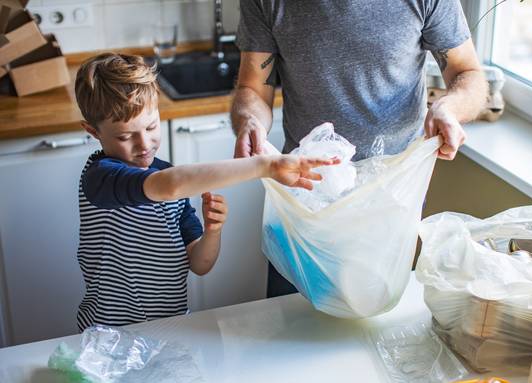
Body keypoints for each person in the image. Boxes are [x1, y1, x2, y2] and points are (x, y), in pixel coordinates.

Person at [230, 0, 488, 297]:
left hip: (390, 198)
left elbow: (467, 73)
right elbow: (252, 88)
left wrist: (448, 108)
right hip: (306, 194)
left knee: (373, 323)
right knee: (290, 318)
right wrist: (251, 121)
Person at [73, 53, 338, 330]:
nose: (144, 144)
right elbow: (169, 185)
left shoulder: (173, 185)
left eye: (151, 126)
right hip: (107, 332)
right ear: (93, 131)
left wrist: (213, 231)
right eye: (125, 136)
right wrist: (265, 165)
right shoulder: (101, 177)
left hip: (171, 327)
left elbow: (200, 264)